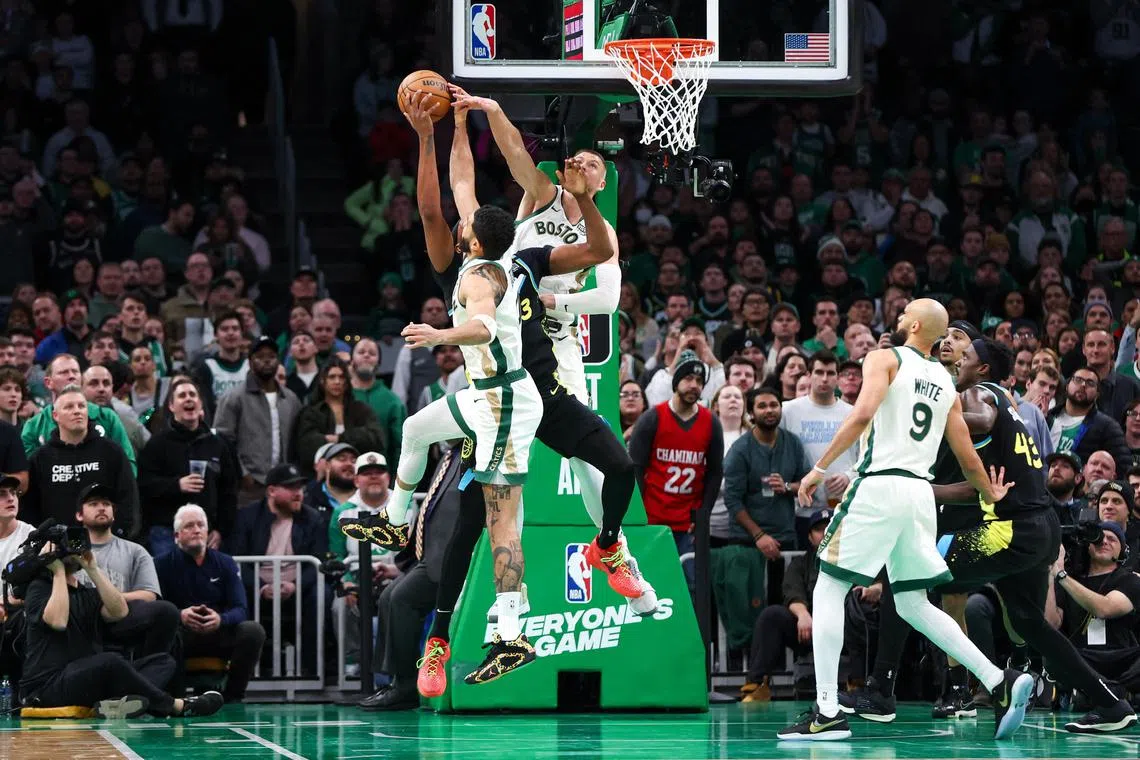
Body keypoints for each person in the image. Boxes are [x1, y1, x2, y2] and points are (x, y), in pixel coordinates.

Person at [351, 95, 646, 692]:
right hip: (487, 396)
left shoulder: (500, 268)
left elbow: (498, 314)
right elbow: (461, 184)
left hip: (522, 397)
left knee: (517, 512)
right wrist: (456, 124)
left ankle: (533, 612)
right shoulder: (505, 245)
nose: (461, 219)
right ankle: (418, 581)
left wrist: (439, 331)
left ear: (471, 237)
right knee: (435, 468)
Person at [843, 338, 1137, 733]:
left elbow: (978, 418)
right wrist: (927, 489)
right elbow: (979, 486)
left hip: (1009, 531)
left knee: (906, 576)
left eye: (965, 358)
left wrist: (940, 404)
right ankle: (1111, 705)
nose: (958, 362)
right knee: (1030, 623)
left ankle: (891, 690)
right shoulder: (1008, 405)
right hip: (1039, 528)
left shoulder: (980, 395)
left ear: (982, 370)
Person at [777, 299, 1033, 742]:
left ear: (913, 325)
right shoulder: (943, 379)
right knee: (914, 603)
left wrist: (818, 468)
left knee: (829, 586)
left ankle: (826, 711)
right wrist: (988, 489)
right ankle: (998, 681)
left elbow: (861, 414)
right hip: (919, 496)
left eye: (903, 314)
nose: (896, 319)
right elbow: (966, 452)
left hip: (880, 485)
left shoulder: (885, 357)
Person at [19, 529, 222, 718]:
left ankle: (115, 704)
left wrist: (93, 570)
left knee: (162, 661)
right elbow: (58, 621)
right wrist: (58, 571)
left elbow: (119, 612)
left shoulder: (86, 593)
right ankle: (176, 706)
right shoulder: (38, 588)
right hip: (48, 686)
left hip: (86, 678)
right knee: (110, 661)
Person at [360, 441, 463, 709]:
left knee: (402, 600)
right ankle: (393, 681)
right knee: (388, 596)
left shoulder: (470, 455)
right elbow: (431, 513)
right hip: (428, 556)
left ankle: (405, 686)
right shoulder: (448, 457)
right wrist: (404, 563)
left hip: (450, 560)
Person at [156, 504, 266, 704]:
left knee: (253, 630)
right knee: (166, 632)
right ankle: (176, 699)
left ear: (207, 532)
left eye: (201, 525)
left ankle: (233, 696)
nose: (196, 530)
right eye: (189, 526)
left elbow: (241, 608)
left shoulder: (225, 562)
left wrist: (220, 619)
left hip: (218, 631)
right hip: (182, 633)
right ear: (176, 535)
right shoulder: (161, 564)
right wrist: (180, 615)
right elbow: (156, 607)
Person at [227, 462, 327, 674]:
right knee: (238, 594)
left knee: (321, 594)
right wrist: (260, 587)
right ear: (271, 491)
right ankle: (247, 671)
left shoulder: (313, 519)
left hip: (297, 585)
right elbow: (236, 561)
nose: (298, 494)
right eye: (291, 489)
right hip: (258, 584)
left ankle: (311, 671)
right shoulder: (247, 517)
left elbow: (318, 563)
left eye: (300, 488)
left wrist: (295, 586)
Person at [629, 351, 724, 560]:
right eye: (688, 378)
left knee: (690, 584)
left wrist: (703, 515)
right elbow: (636, 468)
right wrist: (638, 513)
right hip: (653, 518)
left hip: (688, 522)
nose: (694, 385)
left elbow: (715, 472)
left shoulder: (711, 422)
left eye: (699, 381)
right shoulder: (652, 418)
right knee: (652, 579)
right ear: (676, 382)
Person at [72, 483, 180, 659]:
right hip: (79, 622)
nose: (101, 508)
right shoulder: (68, 552)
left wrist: (110, 600)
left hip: (121, 621)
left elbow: (149, 595)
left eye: (106, 504)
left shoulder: (135, 551)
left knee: (167, 612)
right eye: (93, 504)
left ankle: (146, 672)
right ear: (79, 515)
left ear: (114, 514)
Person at [138, 377, 240, 557]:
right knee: (170, 585)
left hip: (206, 532)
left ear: (200, 405)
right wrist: (176, 485)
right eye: (182, 395)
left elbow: (229, 492)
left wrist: (221, 530)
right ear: (171, 406)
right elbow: (144, 486)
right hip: (166, 532)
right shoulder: (157, 444)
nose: (188, 399)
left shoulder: (217, 444)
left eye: (193, 395)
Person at [24, 385, 139, 538]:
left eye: (81, 406)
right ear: (55, 416)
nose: (77, 411)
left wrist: (120, 534)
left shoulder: (111, 451)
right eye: (69, 407)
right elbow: (29, 507)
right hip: (55, 546)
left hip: (106, 541)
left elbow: (128, 498)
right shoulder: (40, 458)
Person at [328, 452, 397, 673]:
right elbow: (336, 556)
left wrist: (398, 572)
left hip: (399, 575)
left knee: (404, 599)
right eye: (367, 474)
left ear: (389, 477)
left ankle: (398, 664)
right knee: (340, 605)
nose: (374, 477)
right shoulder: (343, 512)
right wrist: (345, 582)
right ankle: (353, 663)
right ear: (356, 480)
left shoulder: (407, 506)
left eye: (379, 472)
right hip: (357, 578)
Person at [214, 336, 302, 504]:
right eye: (260, 357)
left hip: (284, 483)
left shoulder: (290, 399)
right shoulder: (234, 397)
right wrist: (243, 473)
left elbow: (298, 440)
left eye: (271, 357)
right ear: (250, 361)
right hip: (249, 487)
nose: (266, 361)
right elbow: (223, 441)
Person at [21, 354, 135, 470]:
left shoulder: (107, 417)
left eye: (75, 372)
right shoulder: (34, 426)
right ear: (48, 383)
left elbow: (128, 464)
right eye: (64, 372)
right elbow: (28, 471)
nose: (71, 376)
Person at [780, 350, 856, 509]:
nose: (824, 379)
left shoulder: (853, 413)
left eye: (830, 373)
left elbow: (865, 457)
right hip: (799, 507)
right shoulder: (788, 410)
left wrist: (848, 476)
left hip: (842, 505)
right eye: (819, 372)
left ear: (838, 377)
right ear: (808, 375)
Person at [295, 358, 386, 477]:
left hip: (357, 474)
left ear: (347, 381)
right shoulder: (311, 412)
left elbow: (377, 438)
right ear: (323, 381)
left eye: (342, 377)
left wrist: (339, 439)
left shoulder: (361, 410)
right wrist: (328, 441)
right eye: (332, 377)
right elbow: (305, 446)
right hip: (320, 477)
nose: (337, 381)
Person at [349, 338, 406, 466]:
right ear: (351, 359)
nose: (366, 355)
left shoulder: (392, 401)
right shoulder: (339, 395)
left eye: (372, 353)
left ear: (378, 362)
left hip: (380, 473)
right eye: (361, 352)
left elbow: (400, 446)